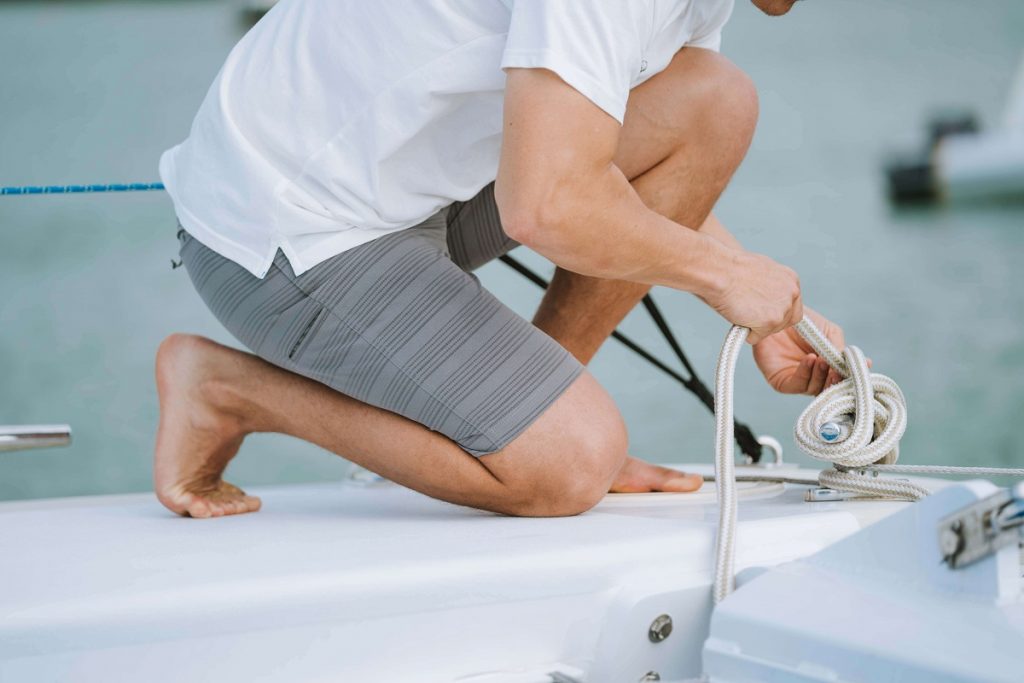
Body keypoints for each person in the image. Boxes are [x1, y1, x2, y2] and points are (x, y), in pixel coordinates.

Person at [155, 0, 847, 519]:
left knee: (713, 102)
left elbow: (603, 161)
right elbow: (547, 204)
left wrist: (768, 310)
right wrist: (728, 278)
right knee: (574, 465)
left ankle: (515, 419)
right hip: (283, 230)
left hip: (408, 191)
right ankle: (225, 390)